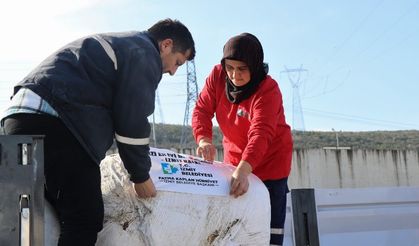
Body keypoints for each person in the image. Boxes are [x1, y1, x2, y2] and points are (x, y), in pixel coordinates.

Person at [1, 18, 195, 246]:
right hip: (57, 123)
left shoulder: (119, 42)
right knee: (83, 218)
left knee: (23, 225)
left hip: (16, 119)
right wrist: (140, 176)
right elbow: (131, 119)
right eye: (177, 62)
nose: (173, 71)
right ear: (166, 45)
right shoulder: (143, 52)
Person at [191, 33, 292, 245]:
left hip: (270, 165)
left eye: (242, 69)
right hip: (234, 165)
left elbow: (261, 133)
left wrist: (245, 170)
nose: (235, 75)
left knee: (268, 232)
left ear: (254, 66)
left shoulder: (268, 89)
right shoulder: (217, 76)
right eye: (230, 68)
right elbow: (201, 109)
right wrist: (204, 139)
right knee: (234, 230)